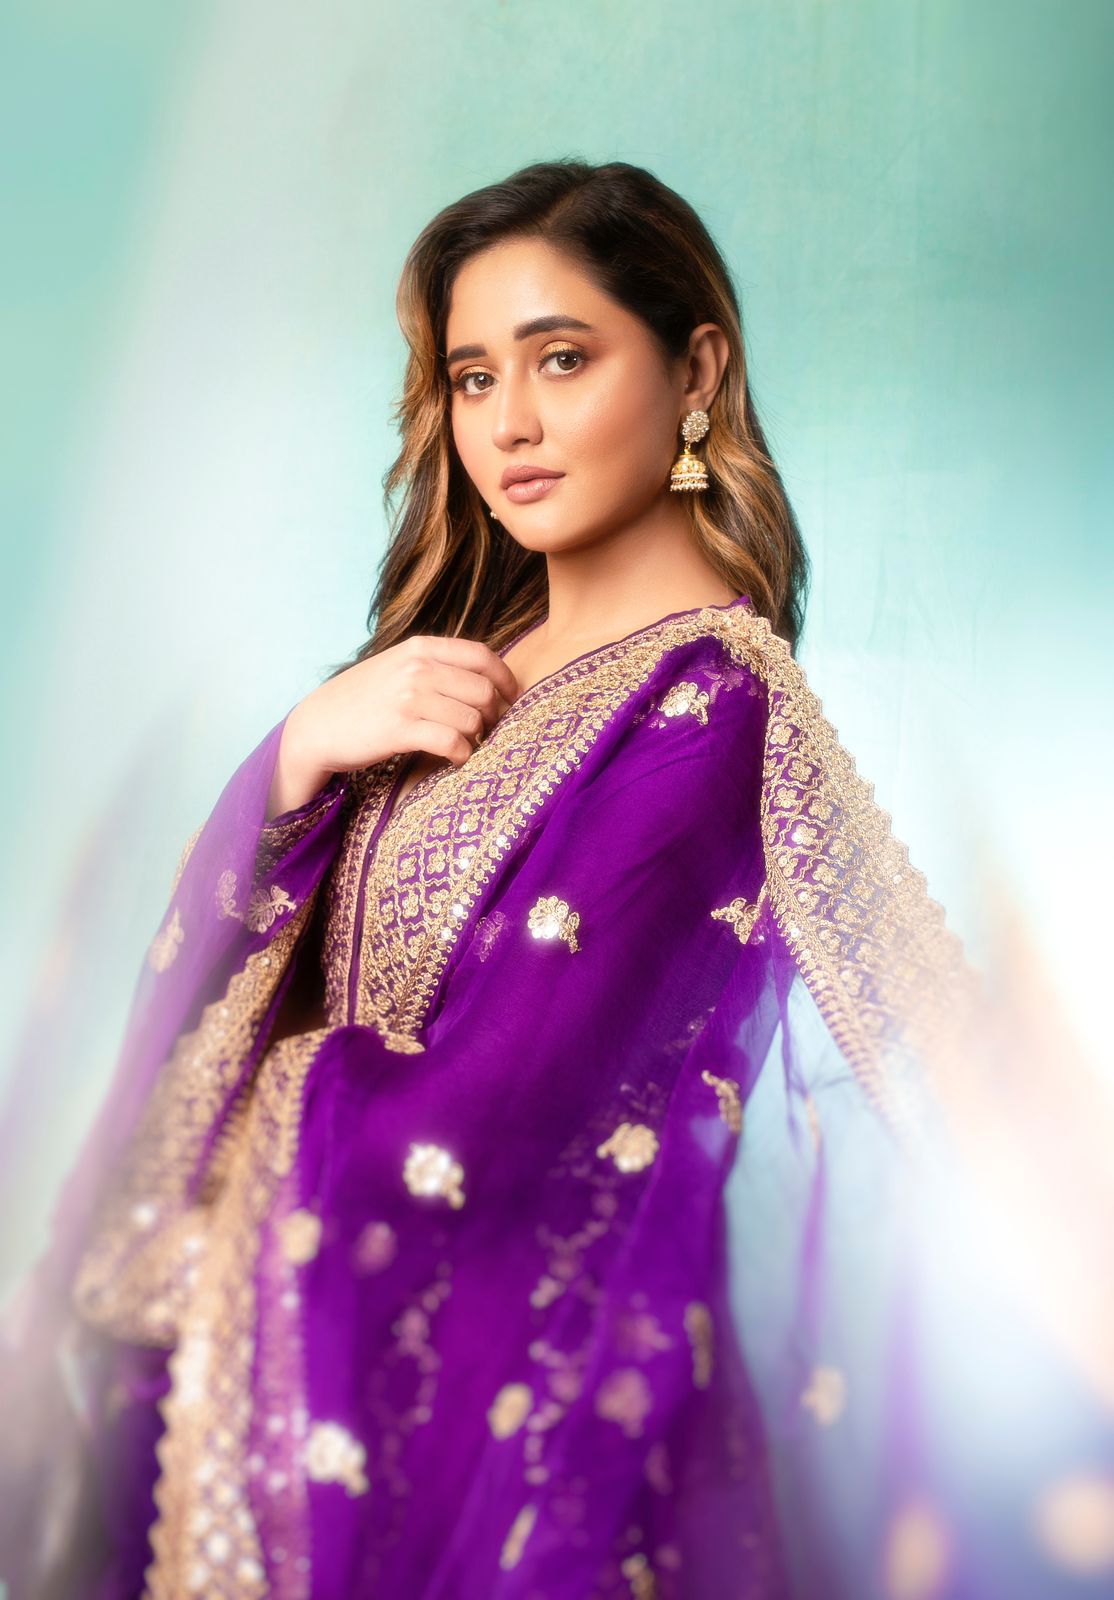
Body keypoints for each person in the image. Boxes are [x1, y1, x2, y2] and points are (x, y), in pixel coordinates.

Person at [0, 160, 983, 1599]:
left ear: (696, 371)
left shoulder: (707, 709)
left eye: (561, 359)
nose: (507, 423)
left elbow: (494, 1128)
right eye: (472, 378)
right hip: (339, 1395)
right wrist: (291, 761)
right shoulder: (428, 679)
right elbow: (238, 996)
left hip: (508, 1457)